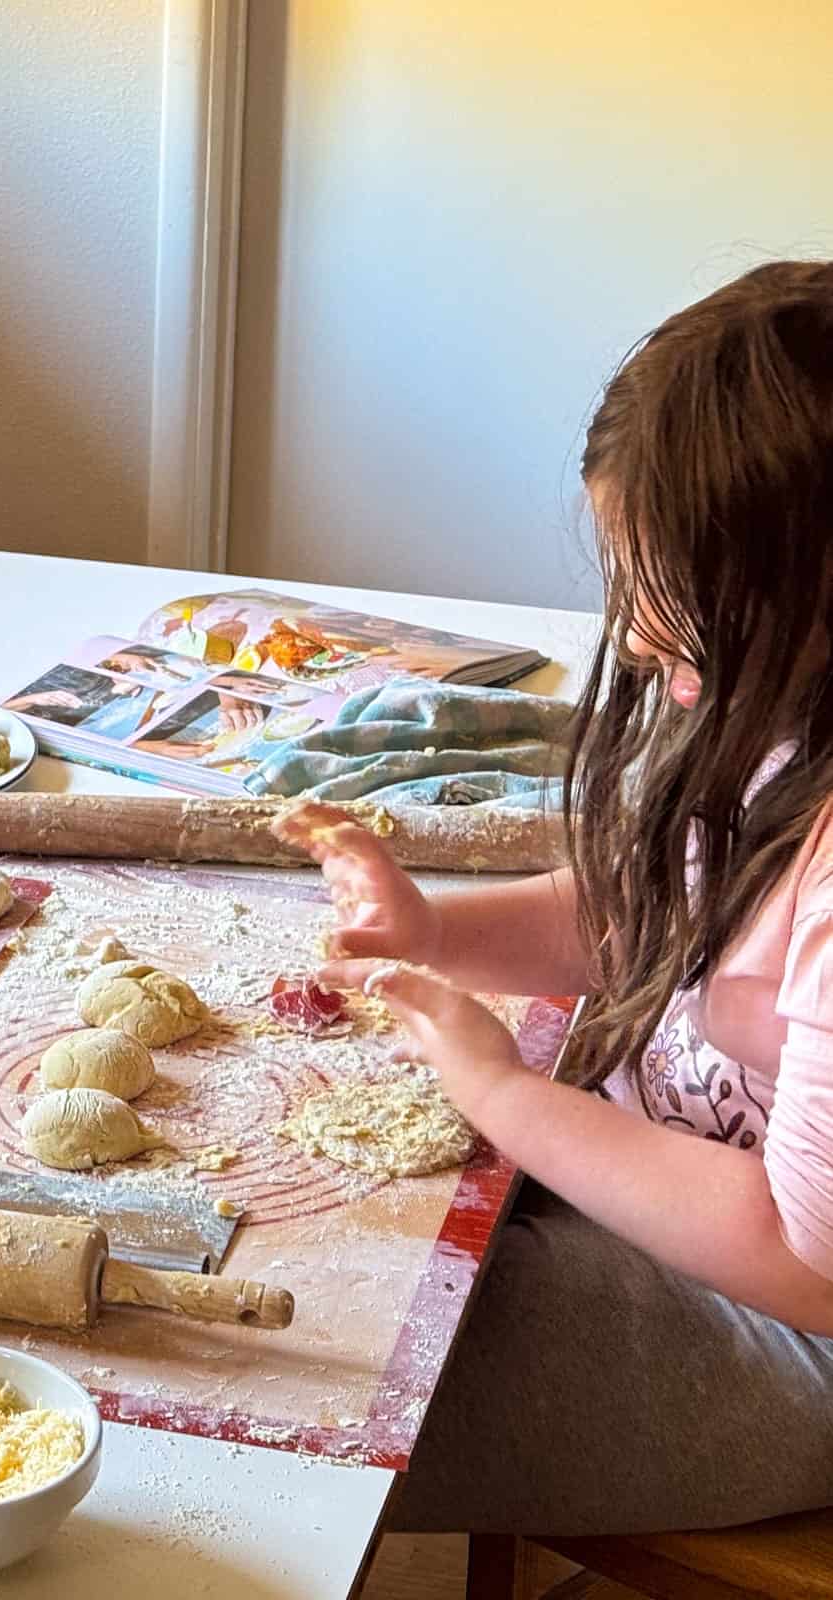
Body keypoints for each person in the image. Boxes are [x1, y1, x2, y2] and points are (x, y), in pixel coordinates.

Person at [276, 261, 833, 1536]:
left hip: (786, 1332)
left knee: (302, 1365)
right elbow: (651, 911)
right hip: (669, 1186)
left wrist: (503, 1091)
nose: (632, 632)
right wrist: (436, 932)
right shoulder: (786, 716)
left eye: (667, 583)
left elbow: (807, 1260)